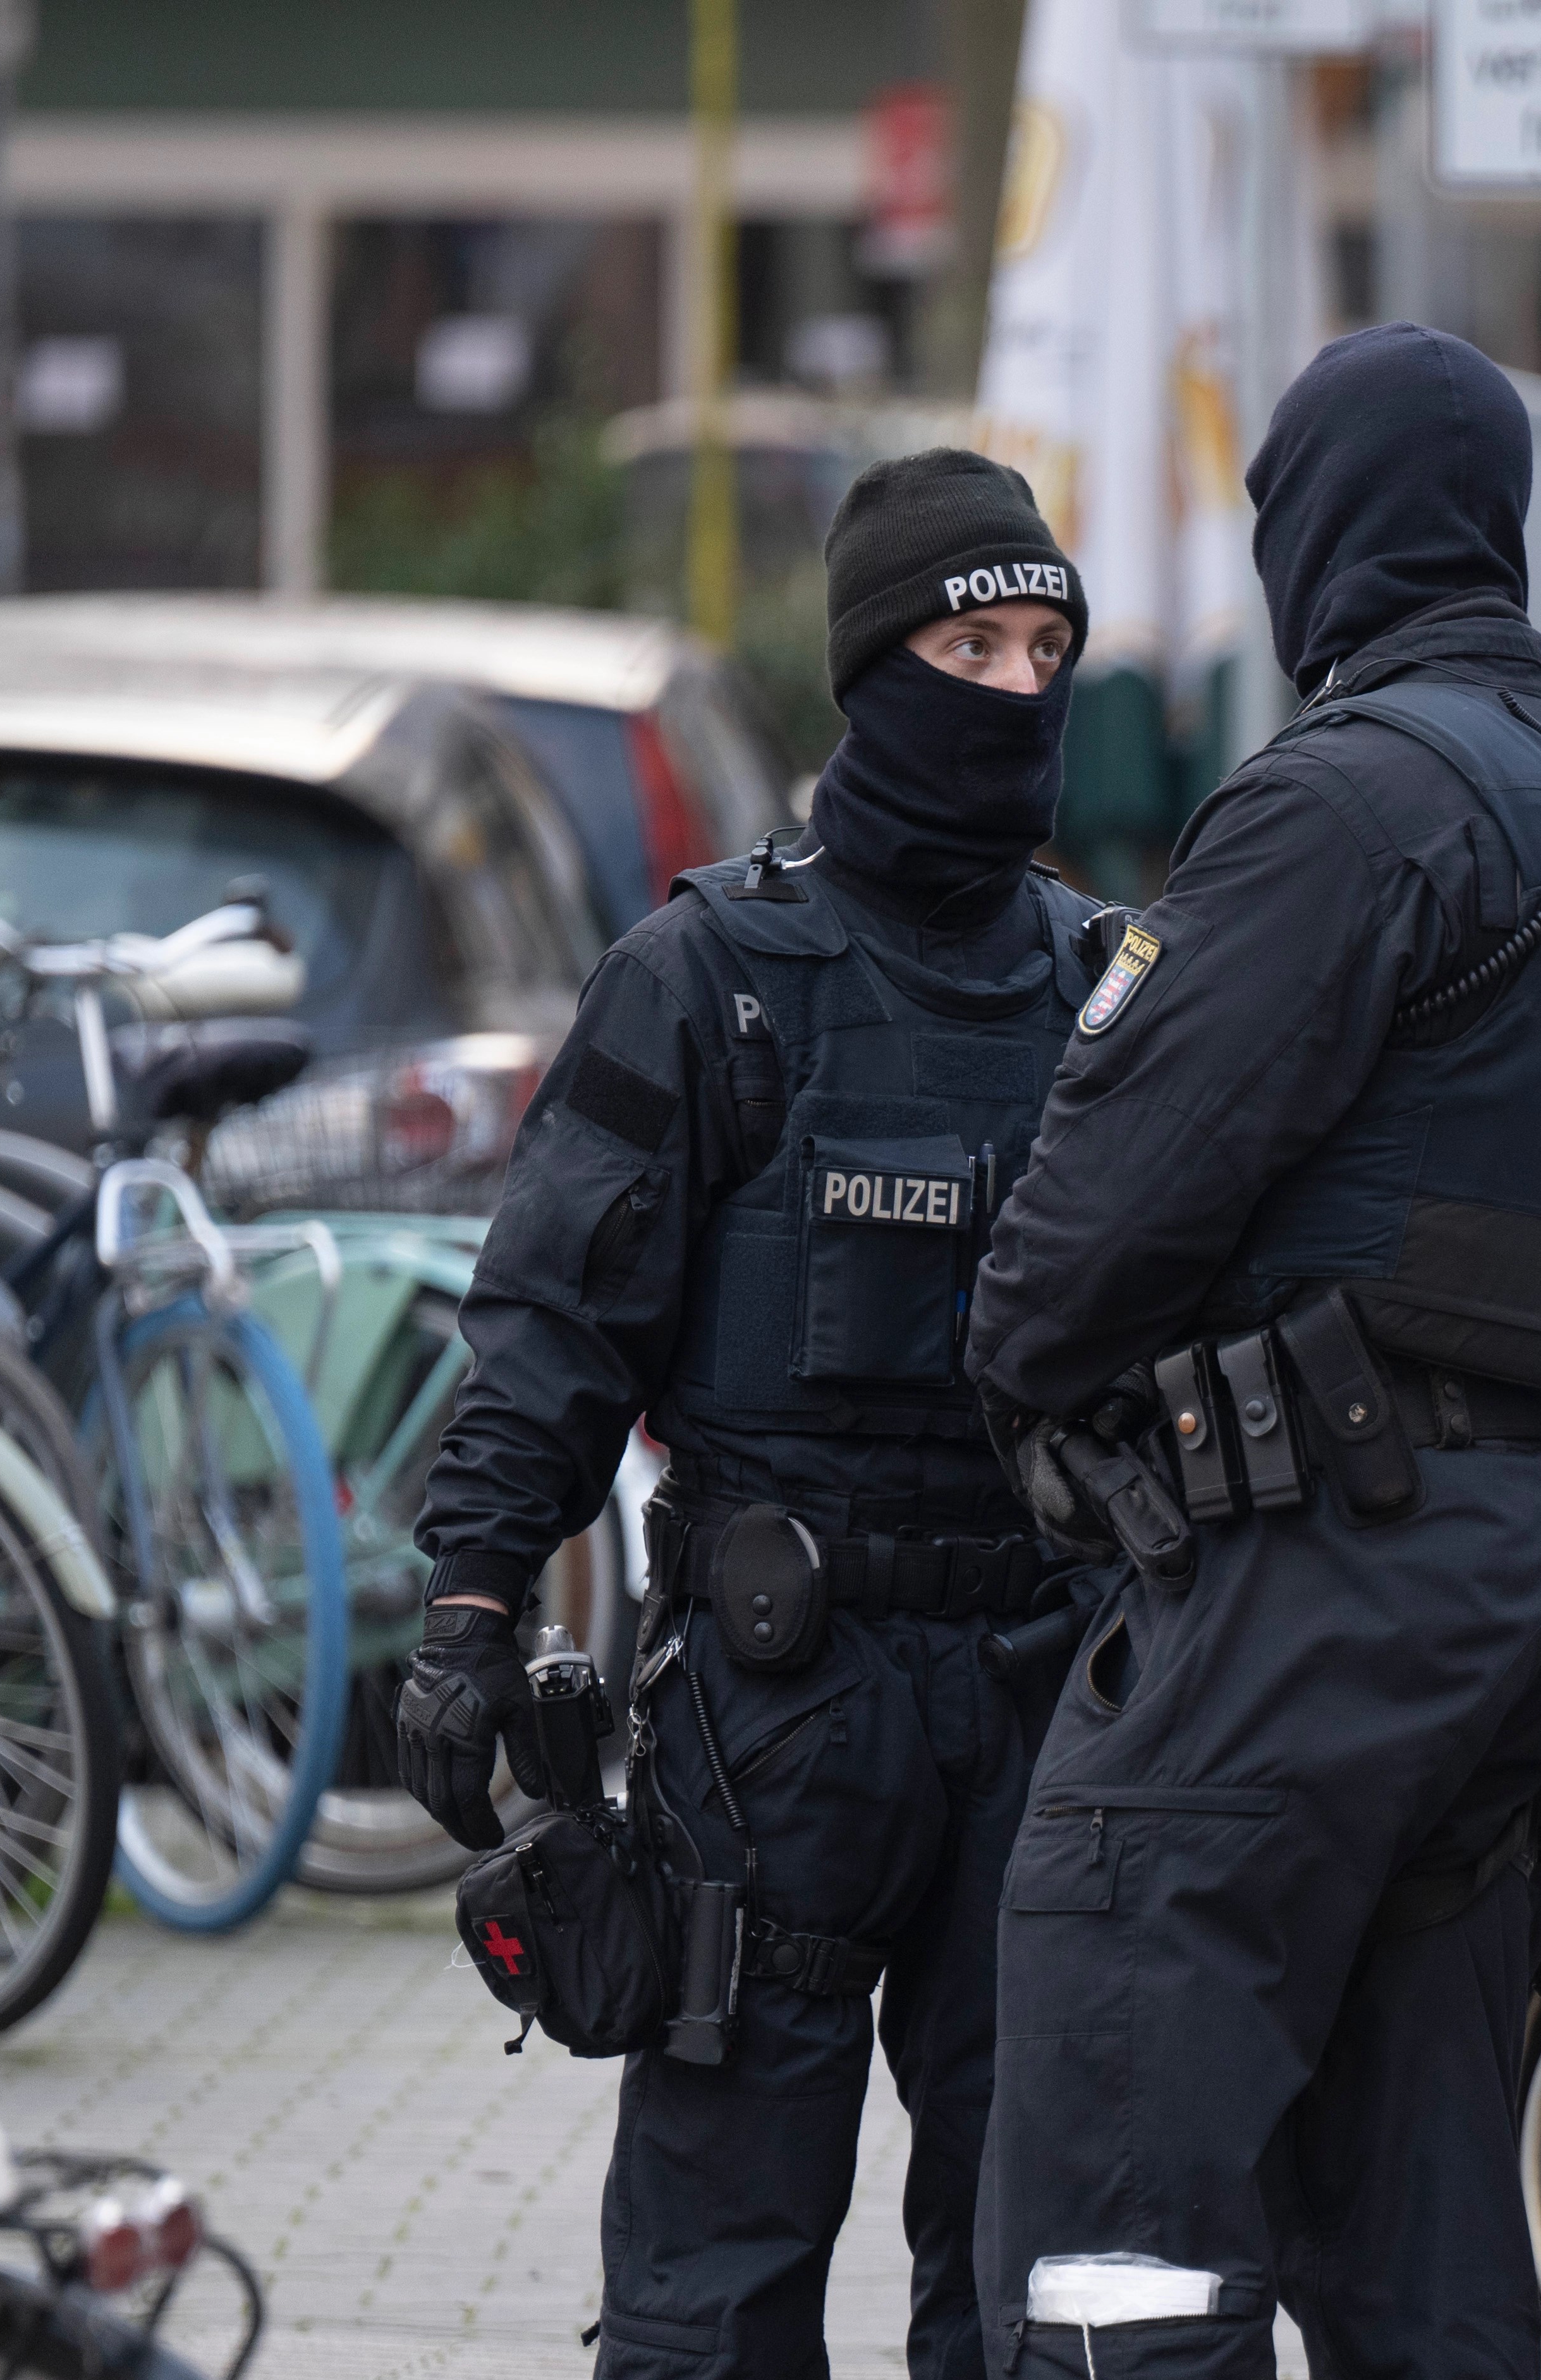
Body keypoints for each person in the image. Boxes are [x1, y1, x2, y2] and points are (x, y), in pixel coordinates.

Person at [962, 324, 1541, 2380]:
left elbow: (1082, 1244)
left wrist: (1032, 1375)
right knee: (1425, 2228)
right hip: (1510, 1595)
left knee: (1119, 2197)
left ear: (1327, 540)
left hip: (1296, 1587)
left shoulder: (1345, 808)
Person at [391, 449, 1108, 2380]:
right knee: (717, 2275)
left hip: (1043, 1689)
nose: (1020, 688)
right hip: (777, 1720)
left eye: (1050, 648)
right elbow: (552, 1328)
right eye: (976, 641)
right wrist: (469, 1612)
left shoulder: (1110, 994)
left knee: (1034, 2275)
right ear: (881, 669)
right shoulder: (711, 978)